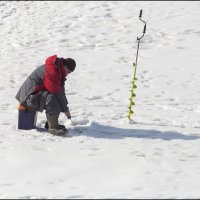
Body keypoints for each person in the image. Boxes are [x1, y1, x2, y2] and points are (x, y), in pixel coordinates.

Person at [15, 54, 76, 136]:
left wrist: (65, 107)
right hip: (28, 97)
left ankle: (51, 124)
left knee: (56, 98)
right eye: (68, 71)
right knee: (52, 98)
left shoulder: (58, 70)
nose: (68, 73)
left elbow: (61, 91)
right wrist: (65, 109)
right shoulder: (53, 71)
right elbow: (55, 91)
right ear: (64, 66)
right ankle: (53, 127)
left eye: (70, 73)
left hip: (35, 93)